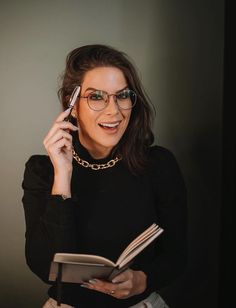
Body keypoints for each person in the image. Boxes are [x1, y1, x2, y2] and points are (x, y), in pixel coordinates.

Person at [22, 44, 187, 308]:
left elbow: (177, 254)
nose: (114, 111)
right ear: (72, 106)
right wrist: (62, 176)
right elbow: (45, 267)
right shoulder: (41, 171)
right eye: (97, 97)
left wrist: (144, 279)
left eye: (122, 95)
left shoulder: (159, 164)